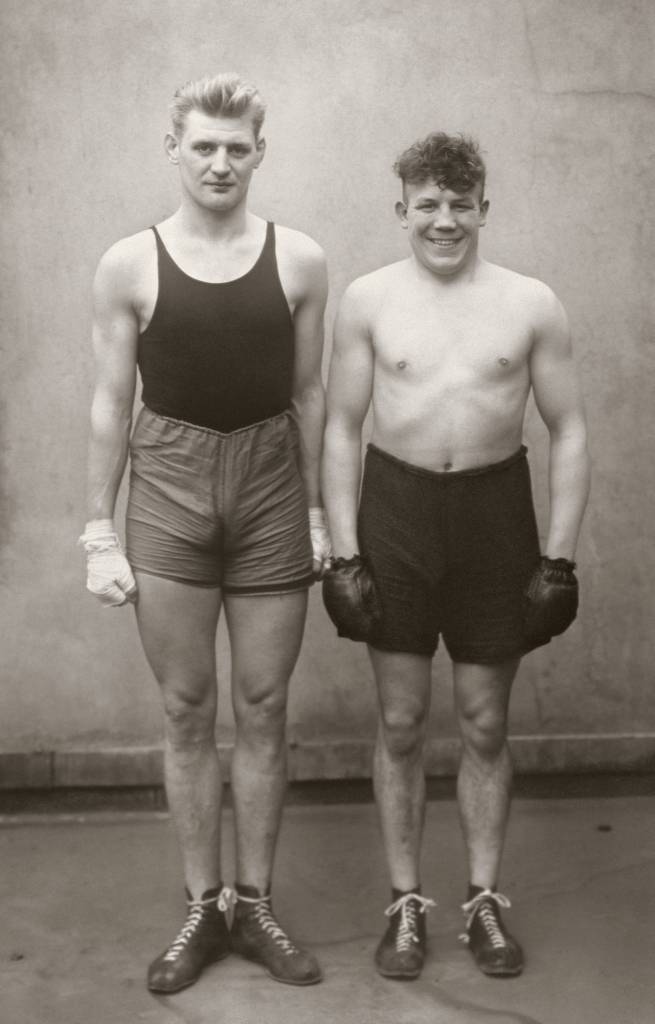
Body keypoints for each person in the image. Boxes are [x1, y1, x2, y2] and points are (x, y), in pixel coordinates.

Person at [80, 72, 331, 993]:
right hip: (171, 487)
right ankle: (201, 903)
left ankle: (253, 903)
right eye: (204, 146)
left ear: (259, 154)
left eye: (237, 148)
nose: (221, 162)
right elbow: (112, 403)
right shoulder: (129, 264)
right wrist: (96, 532)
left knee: (263, 707)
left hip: (269, 486)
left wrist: (318, 514)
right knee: (188, 710)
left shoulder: (298, 259)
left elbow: (310, 397)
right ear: (173, 149)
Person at [322, 132, 590, 980]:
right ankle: (404, 903)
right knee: (400, 722)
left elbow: (570, 430)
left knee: (483, 721)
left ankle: (481, 900)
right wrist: (342, 553)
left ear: (484, 208)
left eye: (459, 204)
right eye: (426, 204)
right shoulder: (366, 300)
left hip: (493, 518)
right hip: (396, 512)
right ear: (402, 209)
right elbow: (338, 428)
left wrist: (559, 559)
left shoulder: (529, 303)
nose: (444, 220)